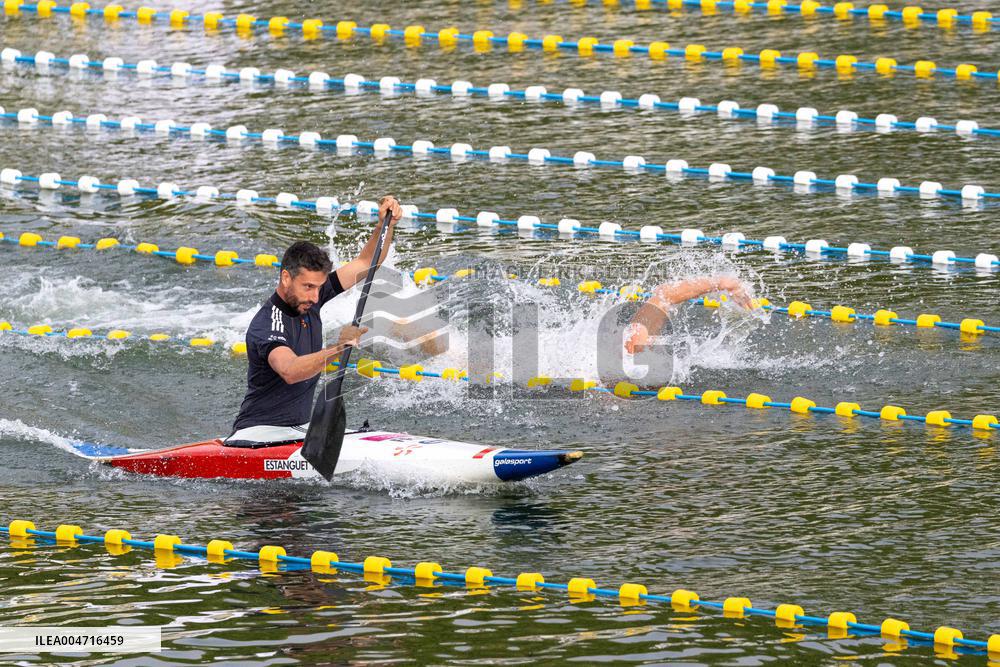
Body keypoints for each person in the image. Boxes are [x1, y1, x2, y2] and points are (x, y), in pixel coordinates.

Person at [231, 196, 402, 433]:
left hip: (296, 430)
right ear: (286, 278)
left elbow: (366, 262)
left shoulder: (312, 297)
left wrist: (385, 225)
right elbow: (290, 370)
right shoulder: (268, 324)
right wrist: (338, 348)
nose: (315, 297)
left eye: (319, 288)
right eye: (308, 287)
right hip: (256, 435)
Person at [624, 275, 753, 355]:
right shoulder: (630, 351)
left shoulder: (630, 348)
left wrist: (720, 284)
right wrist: (720, 283)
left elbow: (663, 296)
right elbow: (663, 295)